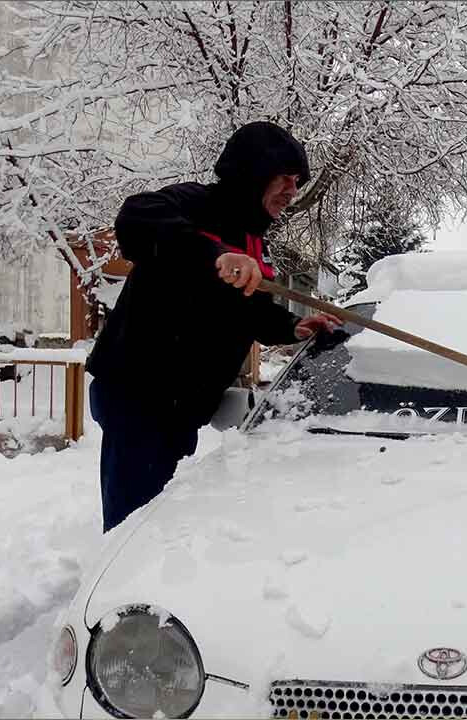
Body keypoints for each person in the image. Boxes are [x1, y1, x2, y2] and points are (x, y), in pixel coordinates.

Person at [86, 121, 341, 532]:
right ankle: (119, 593)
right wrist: (216, 254)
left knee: (160, 520)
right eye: (286, 179)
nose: (293, 191)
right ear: (254, 172)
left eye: (298, 182)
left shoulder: (254, 240)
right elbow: (135, 217)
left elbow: (247, 311)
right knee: (134, 525)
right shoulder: (196, 203)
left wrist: (294, 326)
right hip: (140, 393)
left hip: (180, 405)